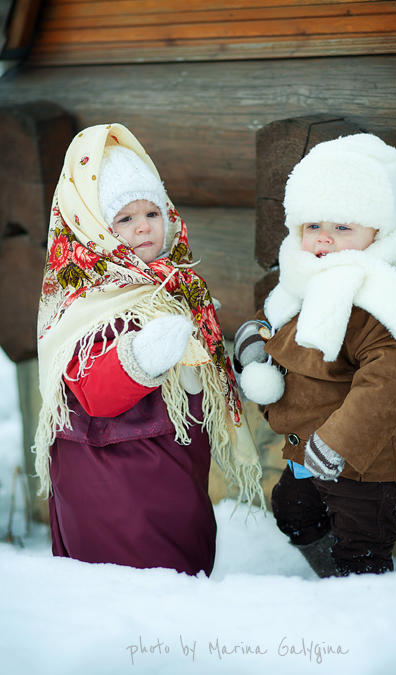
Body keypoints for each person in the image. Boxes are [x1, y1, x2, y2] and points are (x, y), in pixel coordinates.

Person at [34, 123, 264, 575]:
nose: (143, 227)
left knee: (183, 564)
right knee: (137, 580)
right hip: (113, 478)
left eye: (152, 212)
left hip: (174, 464)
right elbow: (91, 390)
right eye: (124, 219)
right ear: (92, 228)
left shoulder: (175, 285)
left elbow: (198, 368)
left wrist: (235, 365)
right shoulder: (86, 299)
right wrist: (142, 356)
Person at [234, 133, 396, 577]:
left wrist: (337, 445)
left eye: (343, 227)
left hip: (366, 467)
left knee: (361, 547)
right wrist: (254, 339)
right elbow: (272, 321)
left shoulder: (386, 302)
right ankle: (332, 580)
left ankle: (357, 596)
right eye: (313, 225)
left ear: (378, 232)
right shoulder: (303, 280)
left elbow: (388, 385)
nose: (324, 238)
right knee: (294, 513)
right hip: (306, 454)